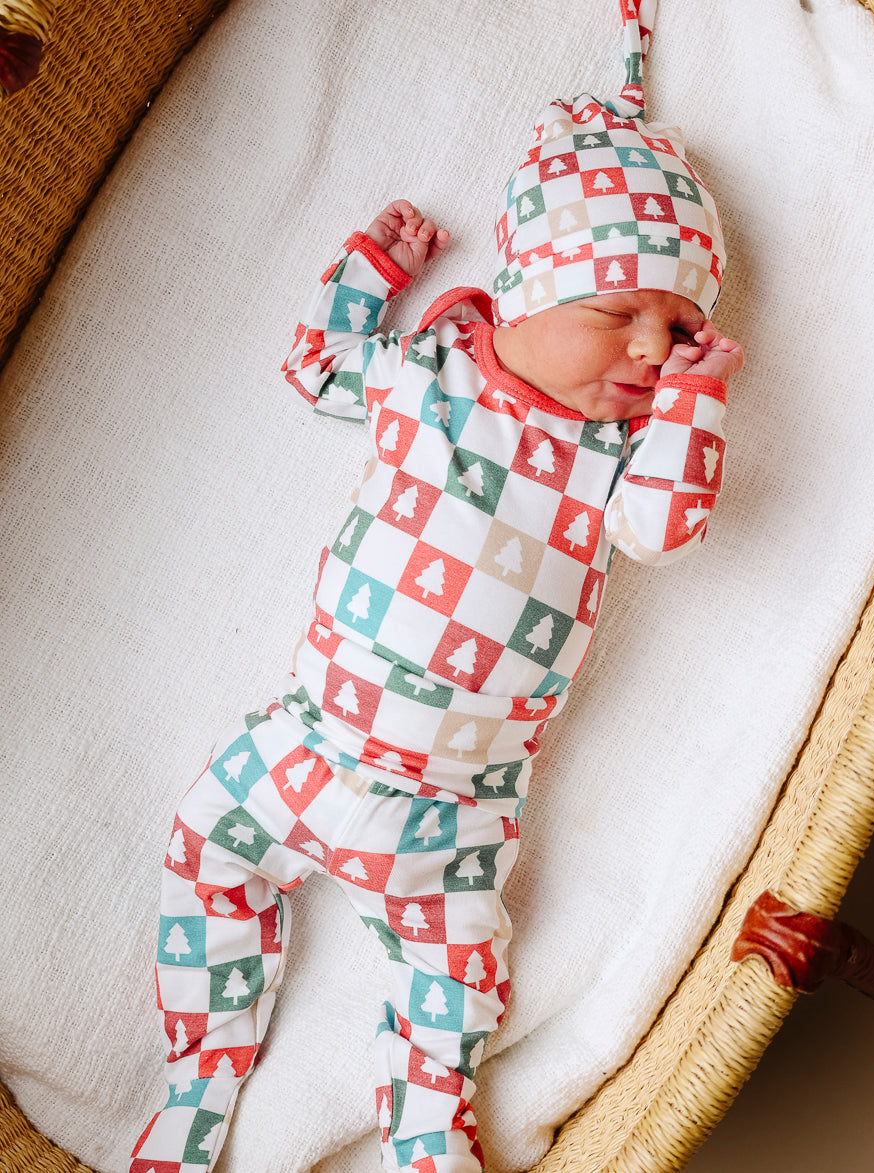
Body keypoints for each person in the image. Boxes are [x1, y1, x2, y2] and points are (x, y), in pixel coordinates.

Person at [129, 4, 742, 1172]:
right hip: (311, 742)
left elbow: (665, 529)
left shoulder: (615, 460)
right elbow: (317, 367)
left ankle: (426, 1139)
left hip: (456, 809)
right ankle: (197, 1085)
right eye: (617, 314)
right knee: (206, 844)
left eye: (678, 329)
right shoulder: (429, 376)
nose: (649, 351)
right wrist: (373, 269)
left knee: (455, 986)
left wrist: (695, 405)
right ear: (524, 290)